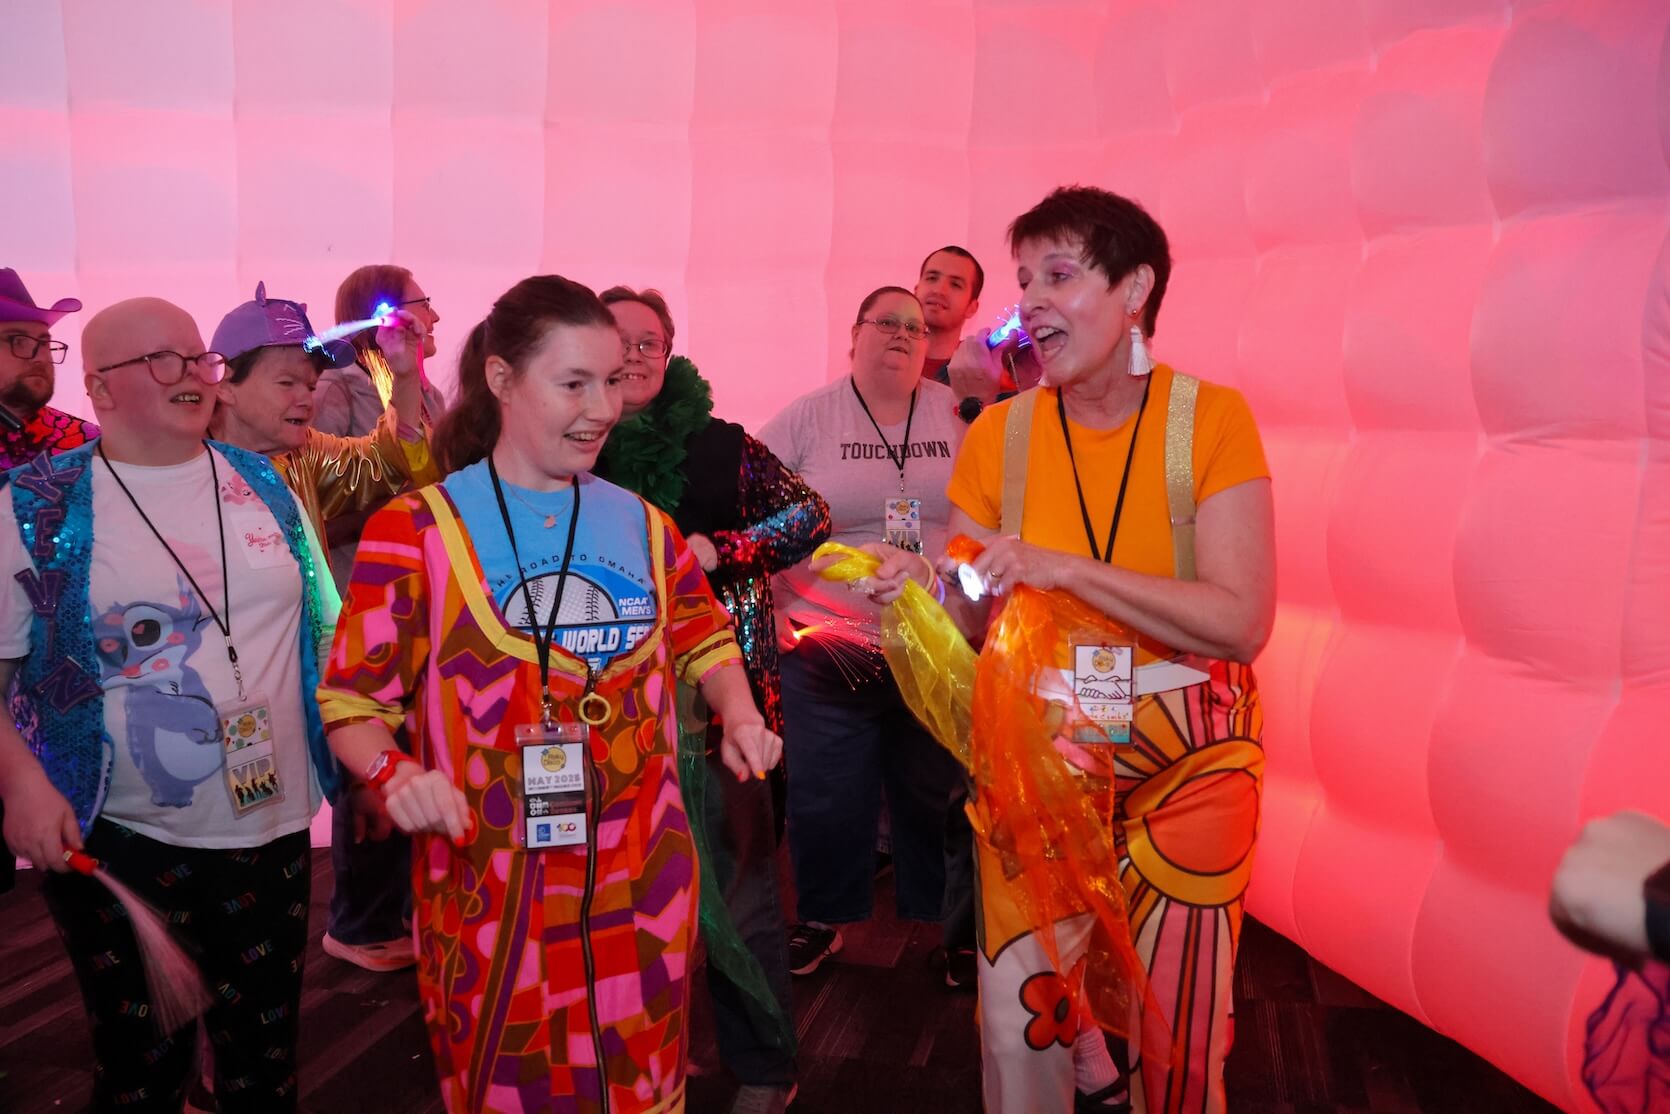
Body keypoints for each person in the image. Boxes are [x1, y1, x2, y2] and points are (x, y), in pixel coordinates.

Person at [315, 274, 782, 1114]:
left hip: (644, 881)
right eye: (574, 383)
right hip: (497, 895)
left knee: (644, 1085)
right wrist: (394, 776)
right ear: (500, 379)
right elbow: (353, 701)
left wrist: (739, 710)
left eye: (611, 381)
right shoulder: (418, 531)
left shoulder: (643, 525)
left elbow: (703, 632)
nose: (602, 407)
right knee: (516, 1086)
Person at [869, 187, 1275, 1112]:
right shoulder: (1001, 436)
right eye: (1023, 282)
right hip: (1037, 747)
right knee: (1022, 1018)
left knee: (1181, 1023)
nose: (1033, 301)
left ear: (1136, 289)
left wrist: (1063, 568)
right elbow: (973, 613)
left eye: (1061, 274)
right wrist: (923, 596)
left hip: (1196, 762)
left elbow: (1243, 620)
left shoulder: (1209, 421)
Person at [0, 296, 340, 1112]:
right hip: (120, 832)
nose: (191, 375)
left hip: (272, 822)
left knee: (263, 1063)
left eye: (197, 359)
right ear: (101, 389)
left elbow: (325, 630)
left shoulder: (265, 484)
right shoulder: (31, 504)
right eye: (163, 360)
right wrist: (19, 782)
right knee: (141, 1069)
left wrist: (362, 757)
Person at [594, 285, 829, 1113]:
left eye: (649, 338)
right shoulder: (575, 451)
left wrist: (722, 549)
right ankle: (660, 1050)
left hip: (724, 704)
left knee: (742, 892)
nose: (634, 353)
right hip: (613, 711)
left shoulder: (722, 444)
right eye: (617, 337)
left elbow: (811, 513)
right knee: (628, 895)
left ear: (671, 348)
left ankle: (767, 1066)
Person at [209, 281, 441, 975]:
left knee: (271, 875)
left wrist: (402, 374)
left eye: (309, 381)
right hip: (215, 708)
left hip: (298, 695)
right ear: (223, 384)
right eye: (286, 382)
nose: (305, 396)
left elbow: (400, 463)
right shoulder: (186, 470)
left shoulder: (303, 456)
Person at [758, 286, 967, 979]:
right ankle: (823, 921)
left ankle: (952, 932)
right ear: (854, 336)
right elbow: (754, 515)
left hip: (935, 640)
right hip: (827, 643)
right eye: (887, 323)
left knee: (939, 791)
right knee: (825, 791)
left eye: (914, 326)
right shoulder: (807, 418)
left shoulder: (961, 415)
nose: (903, 335)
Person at [0, 268, 97, 895]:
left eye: (45, 344)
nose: (38, 357)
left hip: (46, 682)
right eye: (17, 341)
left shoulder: (77, 438)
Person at [314, 264, 447, 590]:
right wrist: (390, 504)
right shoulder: (336, 389)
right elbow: (311, 505)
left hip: (424, 579)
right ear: (386, 315)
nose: (436, 316)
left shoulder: (433, 397)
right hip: (361, 589)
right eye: (425, 304)